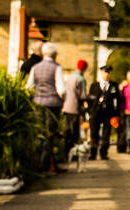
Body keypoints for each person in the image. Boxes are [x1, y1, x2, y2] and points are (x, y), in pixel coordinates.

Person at [27, 41, 66, 173]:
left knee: (39, 133)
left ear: (43, 53)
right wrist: (63, 99)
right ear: (55, 54)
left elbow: (29, 86)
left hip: (38, 103)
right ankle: (43, 166)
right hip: (53, 105)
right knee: (50, 135)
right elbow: (61, 89)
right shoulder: (57, 67)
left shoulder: (35, 68)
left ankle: (36, 164)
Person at [86, 64, 121, 160]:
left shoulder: (114, 86)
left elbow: (117, 100)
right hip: (95, 113)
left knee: (106, 133)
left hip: (108, 113)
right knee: (94, 133)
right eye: (105, 72)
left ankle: (103, 153)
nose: (107, 74)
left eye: (108, 72)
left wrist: (117, 114)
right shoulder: (94, 86)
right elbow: (89, 99)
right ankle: (93, 153)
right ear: (101, 73)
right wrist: (89, 111)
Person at [61, 59, 88, 158]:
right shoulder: (80, 79)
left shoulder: (70, 77)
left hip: (66, 106)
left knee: (67, 130)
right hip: (75, 107)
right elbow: (83, 95)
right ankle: (73, 153)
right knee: (74, 132)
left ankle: (65, 151)